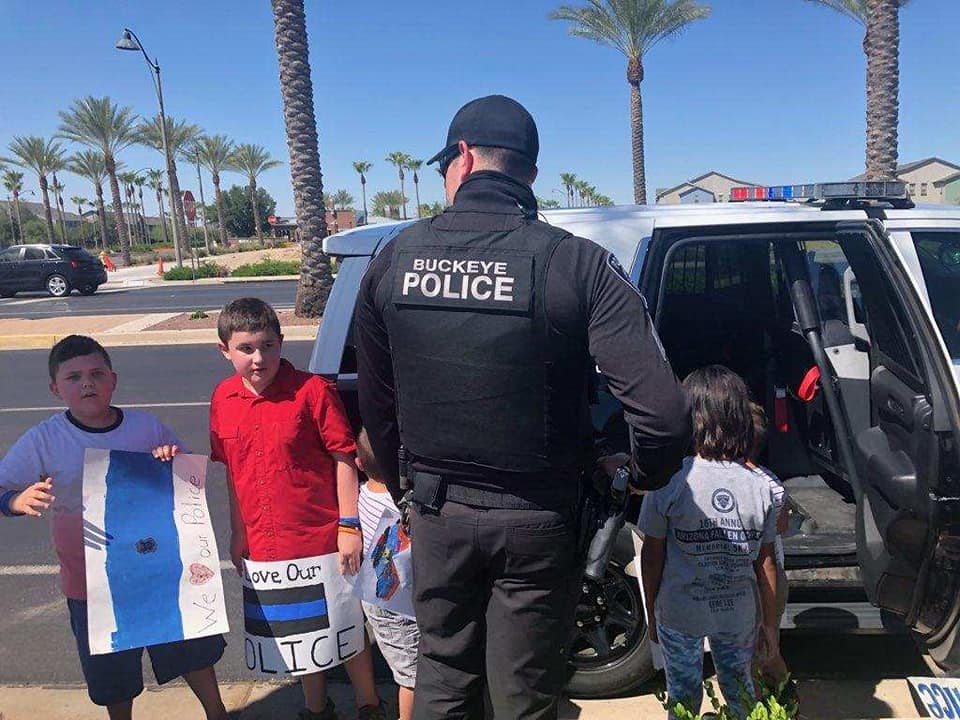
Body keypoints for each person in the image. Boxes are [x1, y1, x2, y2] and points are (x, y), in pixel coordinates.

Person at [354, 94, 691, 719]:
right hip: (539, 521)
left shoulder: (393, 259)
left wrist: (410, 490)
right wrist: (638, 478)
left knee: (443, 678)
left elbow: (377, 405)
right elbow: (665, 417)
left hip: (438, 514)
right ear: (530, 173)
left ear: (461, 158)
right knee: (525, 694)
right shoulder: (577, 263)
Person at [0, 335, 228, 720]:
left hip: (159, 576)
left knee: (192, 652)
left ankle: (217, 713)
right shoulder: (44, 439)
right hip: (92, 586)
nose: (87, 383)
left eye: (96, 374)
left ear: (113, 380)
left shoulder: (145, 427)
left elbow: (189, 478)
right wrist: (14, 501)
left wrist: (171, 458)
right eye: (73, 377)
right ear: (55, 389)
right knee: (113, 677)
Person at [209, 298, 383, 720]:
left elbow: (344, 457)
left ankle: (369, 705)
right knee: (298, 631)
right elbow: (233, 473)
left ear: (281, 342)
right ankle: (316, 708)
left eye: (267, 346)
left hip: (321, 536)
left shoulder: (312, 391)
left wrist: (349, 526)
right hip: (265, 542)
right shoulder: (223, 398)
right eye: (246, 348)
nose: (258, 358)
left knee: (344, 625)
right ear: (225, 350)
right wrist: (238, 533)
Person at [638, 366, 783, 719]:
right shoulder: (761, 486)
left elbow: (652, 556)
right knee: (741, 692)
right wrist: (770, 629)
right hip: (738, 614)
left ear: (688, 420)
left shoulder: (669, 482)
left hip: (680, 612)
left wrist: (652, 614)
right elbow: (767, 565)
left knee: (683, 696)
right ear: (741, 419)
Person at [355, 428, 420, 720]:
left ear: (359, 463)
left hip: (378, 598)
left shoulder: (360, 496)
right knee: (412, 676)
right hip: (398, 602)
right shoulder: (400, 504)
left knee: (408, 670)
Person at [746, 402, 790, 683]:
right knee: (768, 644)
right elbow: (782, 525)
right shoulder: (773, 483)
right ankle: (776, 689)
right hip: (774, 577)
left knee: (749, 654)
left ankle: (757, 695)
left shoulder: (734, 482)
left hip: (750, 578)